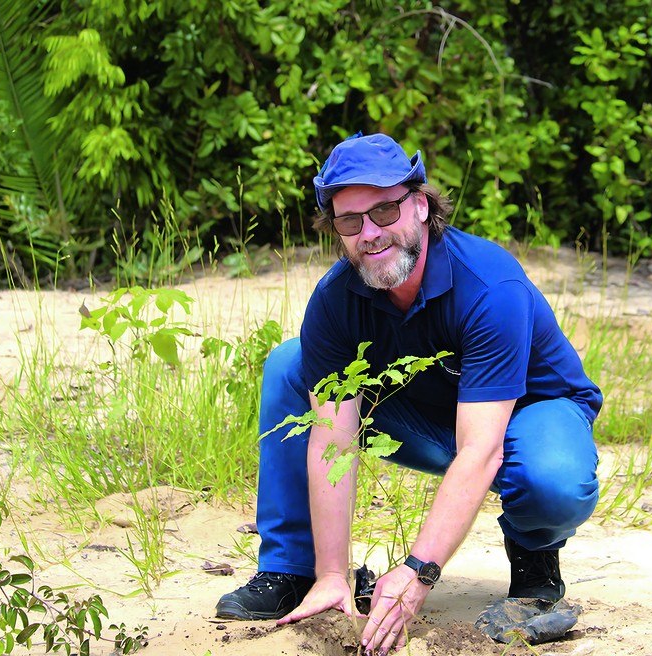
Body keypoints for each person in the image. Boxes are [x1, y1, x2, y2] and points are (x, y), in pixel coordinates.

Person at [215, 133, 602, 655]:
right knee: (291, 364)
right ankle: (294, 569)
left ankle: (535, 558)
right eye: (350, 221)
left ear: (420, 205)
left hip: (528, 417)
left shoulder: (489, 287)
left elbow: (481, 449)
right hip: (427, 417)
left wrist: (417, 573)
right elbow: (333, 439)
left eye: (385, 210)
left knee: (552, 481)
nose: (370, 233)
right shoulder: (334, 300)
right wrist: (333, 572)